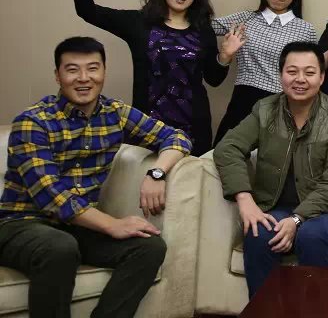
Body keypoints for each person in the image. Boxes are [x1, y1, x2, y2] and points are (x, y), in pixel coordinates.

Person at [0, 36, 191, 318]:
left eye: (92, 68)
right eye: (72, 70)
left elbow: (177, 137)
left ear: (103, 72)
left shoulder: (116, 113)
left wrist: (157, 172)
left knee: (148, 247)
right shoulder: (33, 122)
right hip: (22, 224)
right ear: (58, 76)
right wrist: (112, 224)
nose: (83, 78)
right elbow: (52, 197)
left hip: (78, 227)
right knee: (59, 247)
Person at [69, 0, 235, 155]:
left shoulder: (202, 29)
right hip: (146, 129)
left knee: (189, 179)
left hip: (194, 131)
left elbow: (213, 79)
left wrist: (225, 57)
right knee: (146, 177)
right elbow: (87, 10)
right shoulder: (139, 23)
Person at [213, 41, 328, 300]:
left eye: (309, 72)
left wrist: (297, 219)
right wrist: (245, 199)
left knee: (312, 235)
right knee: (258, 232)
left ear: (322, 77)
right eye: (292, 71)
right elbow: (228, 148)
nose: (300, 79)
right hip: (274, 204)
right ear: (281, 75)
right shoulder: (265, 110)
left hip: (322, 211)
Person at [211, 0, 318, 144]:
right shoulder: (247, 18)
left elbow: (313, 70)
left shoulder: (305, 30)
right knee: (224, 153)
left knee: (269, 159)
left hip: (281, 106)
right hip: (243, 101)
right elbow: (205, 27)